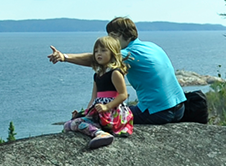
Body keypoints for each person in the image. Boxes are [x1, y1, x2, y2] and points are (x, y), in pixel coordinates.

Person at [47, 17, 186, 125]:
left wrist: (64, 57)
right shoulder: (151, 46)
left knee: (101, 116)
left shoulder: (130, 53)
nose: (109, 41)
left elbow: (96, 59)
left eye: (112, 36)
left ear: (121, 35)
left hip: (158, 113)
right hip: (179, 109)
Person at [63, 35, 135, 149]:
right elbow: (94, 97)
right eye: (96, 51)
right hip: (99, 110)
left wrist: (107, 106)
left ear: (113, 53)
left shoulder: (114, 73)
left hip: (113, 112)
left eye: (103, 50)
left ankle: (100, 134)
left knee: (77, 124)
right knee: (68, 124)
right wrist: (86, 112)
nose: (98, 54)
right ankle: (98, 132)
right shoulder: (97, 75)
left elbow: (123, 94)